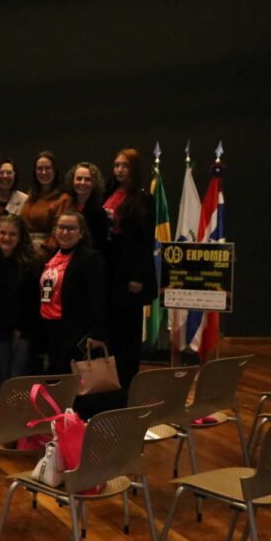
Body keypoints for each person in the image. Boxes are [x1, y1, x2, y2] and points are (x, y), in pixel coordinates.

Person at [103, 148, 156, 389]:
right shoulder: (107, 194)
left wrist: (138, 276)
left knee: (128, 334)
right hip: (109, 271)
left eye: (124, 165)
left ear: (133, 169)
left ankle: (128, 384)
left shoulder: (143, 199)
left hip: (130, 274)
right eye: (116, 165)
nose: (119, 170)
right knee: (111, 332)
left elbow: (145, 242)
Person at [39, 210, 109, 386]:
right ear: (54, 230)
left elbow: (99, 298)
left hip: (74, 332)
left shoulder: (90, 258)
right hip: (49, 329)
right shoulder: (51, 256)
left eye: (71, 228)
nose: (65, 232)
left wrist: (97, 333)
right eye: (61, 227)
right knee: (52, 382)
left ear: (81, 233)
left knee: (70, 385)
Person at [0, 213, 41, 397]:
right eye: (3, 233)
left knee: (16, 377)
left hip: (23, 329)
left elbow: (32, 301)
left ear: (20, 237)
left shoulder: (30, 261)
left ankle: (16, 413)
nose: (7, 238)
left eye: (12, 234)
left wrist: (20, 329)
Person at [20, 150, 72, 253]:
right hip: (24, 244)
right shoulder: (31, 195)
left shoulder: (64, 199)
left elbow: (59, 233)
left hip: (45, 249)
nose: (43, 172)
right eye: (39, 168)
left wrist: (42, 248)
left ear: (55, 170)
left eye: (48, 168)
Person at [63, 161, 110, 260]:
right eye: (79, 178)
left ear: (94, 184)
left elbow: (99, 246)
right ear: (72, 181)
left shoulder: (99, 213)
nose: (82, 182)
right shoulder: (66, 205)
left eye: (88, 179)